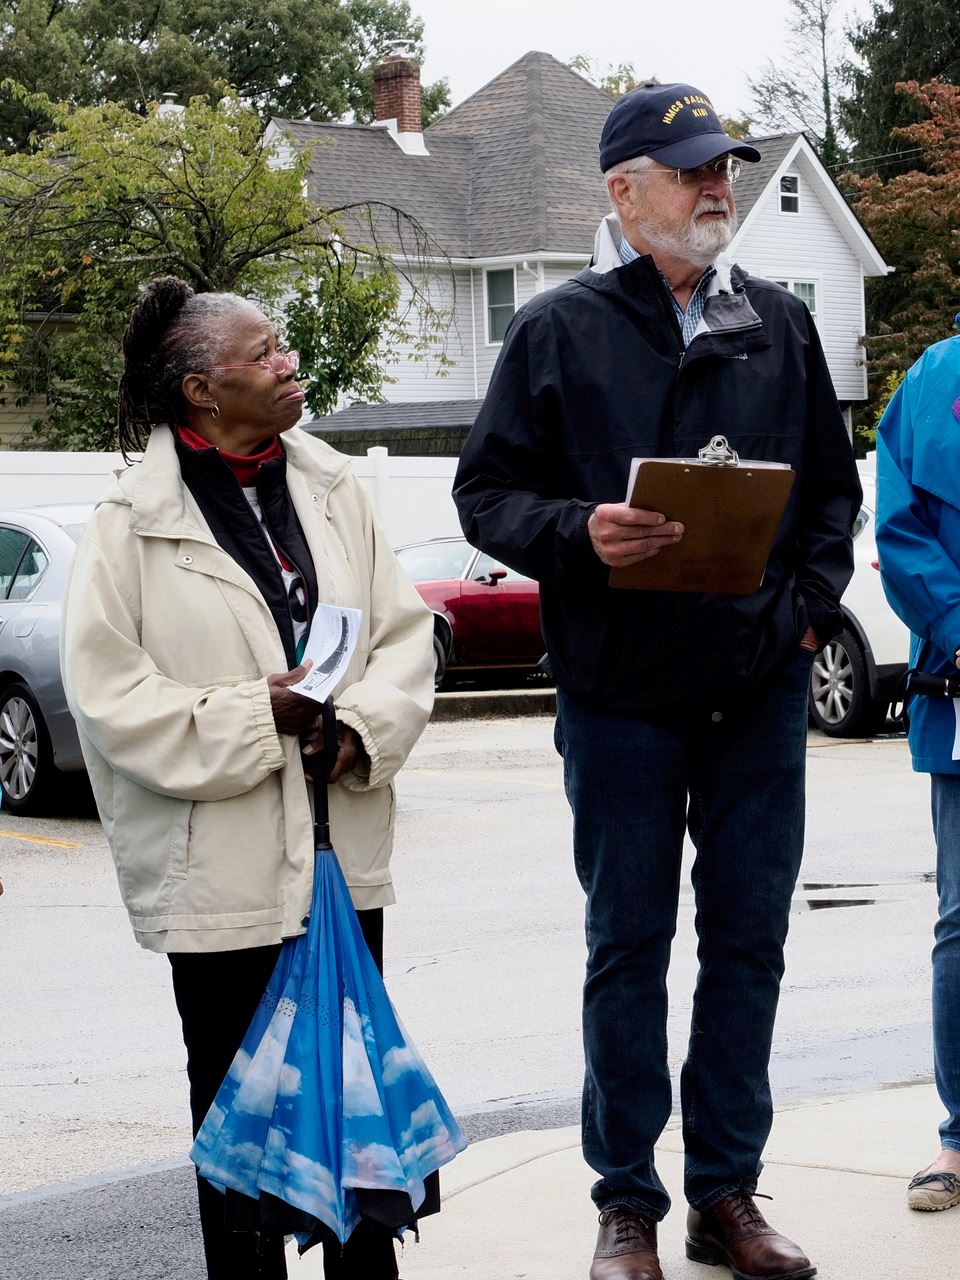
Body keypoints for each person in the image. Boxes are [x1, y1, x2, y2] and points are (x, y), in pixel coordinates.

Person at [454, 82, 861, 1280]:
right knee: (627, 943)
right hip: (620, 697)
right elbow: (486, 496)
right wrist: (581, 529)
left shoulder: (780, 322)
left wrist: (799, 617)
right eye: (690, 171)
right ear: (624, 193)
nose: (717, 186)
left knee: (749, 942)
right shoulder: (561, 329)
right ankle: (625, 1199)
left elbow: (832, 501)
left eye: (723, 166)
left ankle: (724, 1192)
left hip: (756, 692)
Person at [60, 276, 435, 1280]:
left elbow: (403, 638)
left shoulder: (335, 485)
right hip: (219, 876)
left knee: (354, 1098)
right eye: (264, 350)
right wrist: (253, 714)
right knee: (240, 1124)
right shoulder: (129, 522)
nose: (288, 360)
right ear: (200, 391)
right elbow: (109, 694)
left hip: (339, 858)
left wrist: (357, 726)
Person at [875, 331, 960, 1213]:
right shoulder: (937, 379)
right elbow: (900, 527)